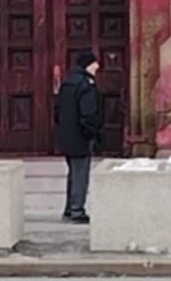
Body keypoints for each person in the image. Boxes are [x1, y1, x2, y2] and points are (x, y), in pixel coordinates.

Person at [53, 50, 102, 224]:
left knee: (73, 173)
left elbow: (57, 111)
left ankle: (69, 208)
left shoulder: (67, 83)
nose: (98, 66)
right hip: (80, 137)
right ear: (87, 65)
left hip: (67, 136)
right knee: (81, 174)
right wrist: (91, 133)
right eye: (95, 63)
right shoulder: (86, 85)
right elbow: (88, 113)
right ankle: (77, 210)